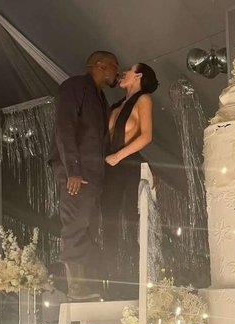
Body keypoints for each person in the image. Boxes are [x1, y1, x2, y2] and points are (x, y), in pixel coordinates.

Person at [49, 51, 119, 301]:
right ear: (100, 65)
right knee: (75, 227)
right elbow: (65, 127)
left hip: (93, 174)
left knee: (87, 228)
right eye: (114, 65)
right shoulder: (75, 86)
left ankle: (86, 286)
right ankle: (76, 289)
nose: (117, 71)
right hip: (76, 173)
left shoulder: (100, 97)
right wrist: (73, 170)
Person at [102, 63, 159, 299]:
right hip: (110, 167)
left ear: (138, 76)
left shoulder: (143, 99)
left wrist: (118, 156)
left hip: (127, 164)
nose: (123, 73)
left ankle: (133, 286)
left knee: (129, 222)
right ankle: (112, 285)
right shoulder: (116, 105)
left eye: (128, 70)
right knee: (109, 224)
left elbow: (146, 135)